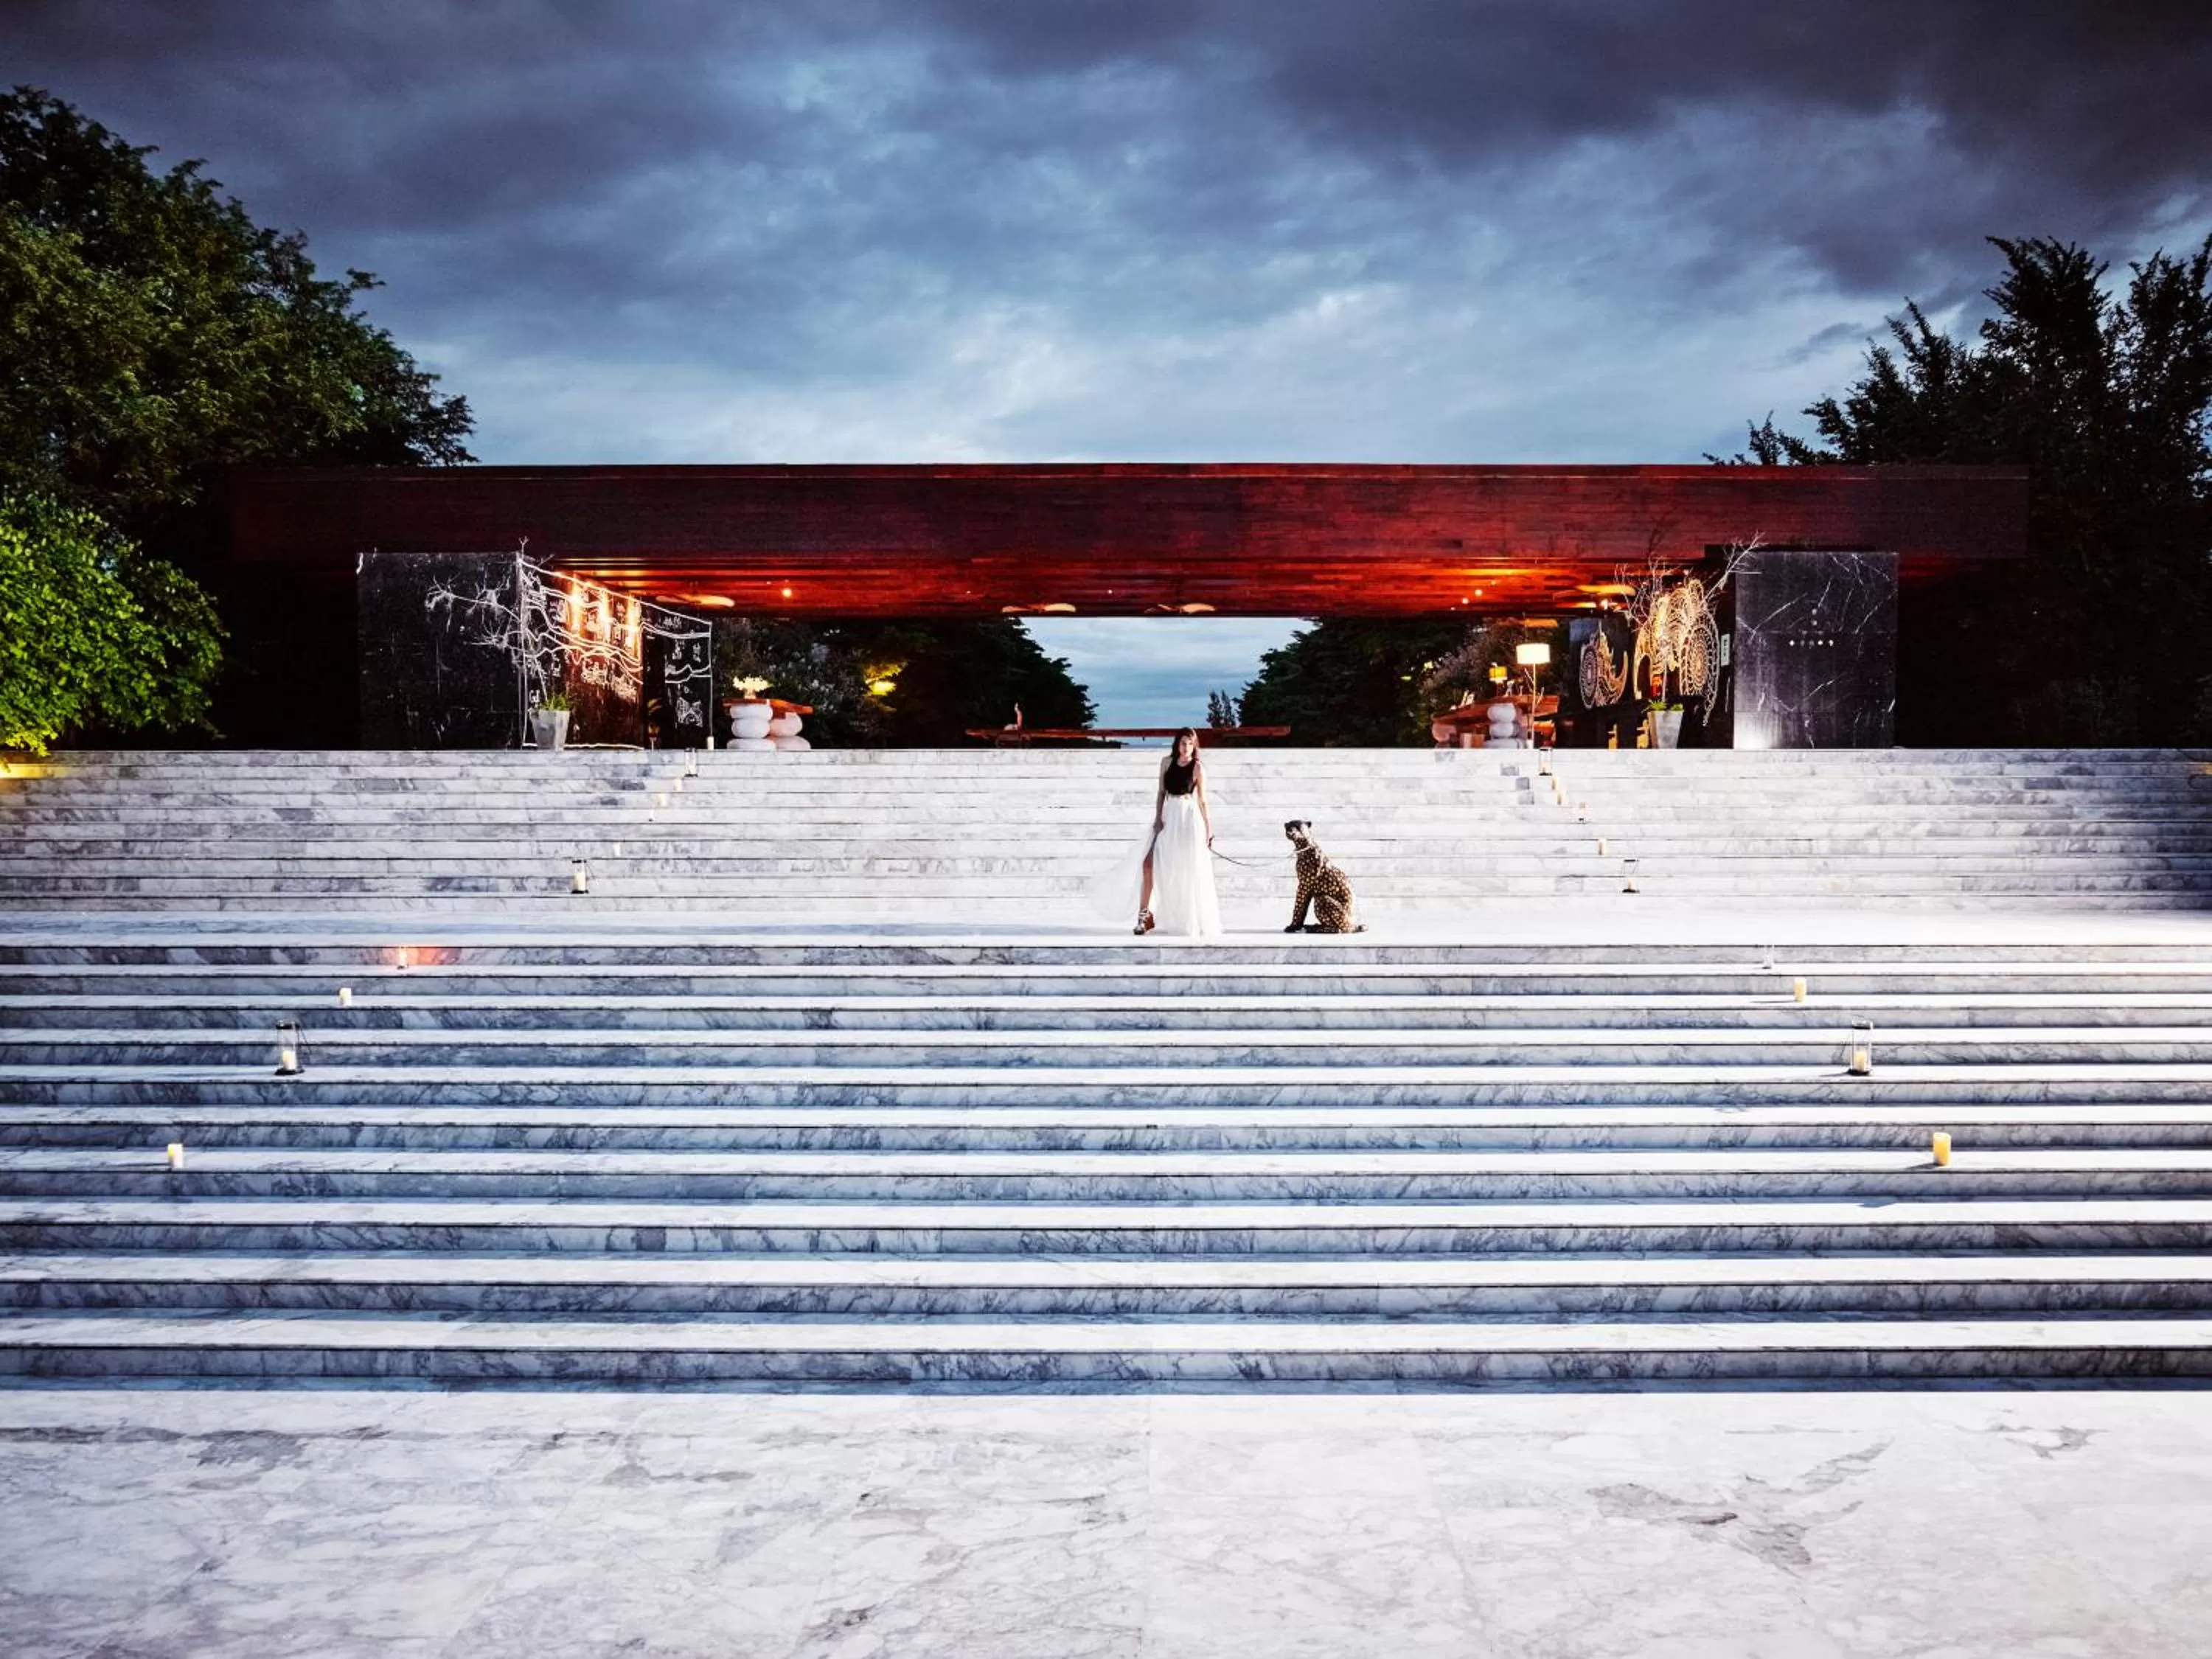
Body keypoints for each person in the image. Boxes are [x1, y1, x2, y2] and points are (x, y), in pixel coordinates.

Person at [1133, 728, 1222, 936]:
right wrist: (1157, 818)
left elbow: (1202, 800)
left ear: (1195, 745)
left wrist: (1209, 829)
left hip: (1188, 819)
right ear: (1177, 744)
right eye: (1183, 743)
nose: (1186, 747)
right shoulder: (1166, 762)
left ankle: (1192, 916)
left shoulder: (1198, 767)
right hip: (1167, 817)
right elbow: (1161, 793)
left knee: (1189, 867)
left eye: (1190, 743)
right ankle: (1144, 916)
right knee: (1148, 865)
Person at [1282, 820, 1363, 933]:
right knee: (1318, 898)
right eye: (1290, 829)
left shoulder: (1313, 855)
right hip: (1343, 913)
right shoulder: (1308, 853)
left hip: (1342, 913)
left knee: (1321, 900)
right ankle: (1336, 924)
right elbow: (1305, 891)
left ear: (1307, 830)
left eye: (1298, 829)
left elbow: (1304, 892)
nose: (1292, 832)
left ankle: (1333, 927)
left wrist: (1296, 924)